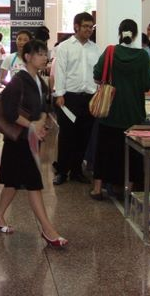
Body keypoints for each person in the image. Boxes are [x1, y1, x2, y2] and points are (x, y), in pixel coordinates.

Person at [0, 39, 67, 247]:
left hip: (30, 139)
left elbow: (44, 107)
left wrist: (40, 123)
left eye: (45, 54)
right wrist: (31, 125)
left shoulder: (39, 80)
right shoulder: (19, 81)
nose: (44, 58)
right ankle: (48, 230)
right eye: (40, 54)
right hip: (19, 141)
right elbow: (9, 111)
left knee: (13, 181)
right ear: (28, 57)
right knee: (34, 183)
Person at [90, 19, 150, 200]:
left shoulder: (110, 51)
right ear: (135, 35)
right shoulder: (143, 56)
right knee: (132, 155)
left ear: (119, 33)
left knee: (104, 150)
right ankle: (128, 190)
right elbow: (147, 84)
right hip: (133, 113)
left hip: (109, 112)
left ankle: (97, 189)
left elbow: (97, 75)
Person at [52, 12, 100, 186]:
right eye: (85, 26)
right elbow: (60, 71)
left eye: (91, 27)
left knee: (83, 136)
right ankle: (62, 171)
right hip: (69, 98)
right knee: (67, 136)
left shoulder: (95, 49)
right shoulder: (64, 47)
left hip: (89, 98)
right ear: (76, 27)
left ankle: (77, 171)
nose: (89, 30)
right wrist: (59, 94)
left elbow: (98, 73)